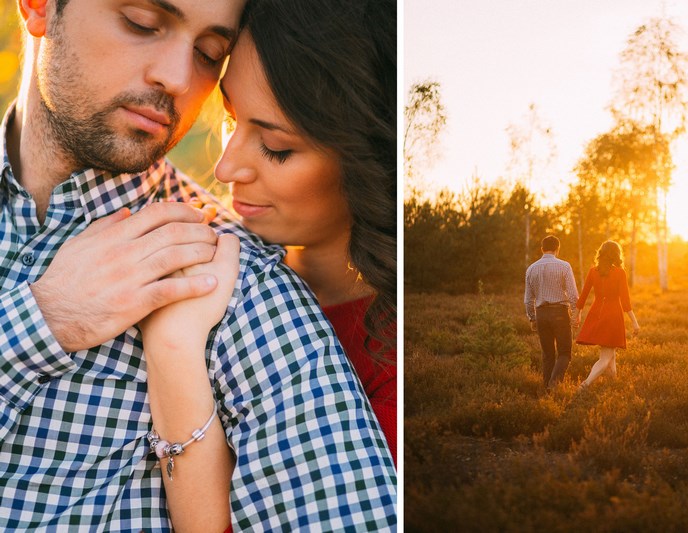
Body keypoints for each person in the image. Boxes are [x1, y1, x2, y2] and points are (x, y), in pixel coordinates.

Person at [0, 1, 396, 531]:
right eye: (141, 21)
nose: (177, 79)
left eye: (210, 54)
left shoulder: (240, 287)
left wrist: (173, 351)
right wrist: (42, 320)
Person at [139, 0, 398, 527]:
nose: (226, 165)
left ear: (368, 161)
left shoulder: (394, 376)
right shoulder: (207, 247)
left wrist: (173, 351)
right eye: (231, 118)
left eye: (276, 148)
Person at [575, 240, 641, 390]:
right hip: (613, 316)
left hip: (596, 314)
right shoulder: (619, 272)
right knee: (605, 357)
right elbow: (626, 302)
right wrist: (635, 322)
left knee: (611, 355)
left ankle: (614, 386)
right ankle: (585, 385)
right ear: (616, 255)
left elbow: (583, 295)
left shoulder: (593, 271)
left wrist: (577, 314)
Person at [524, 235, 581, 389]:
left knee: (547, 355)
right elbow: (573, 295)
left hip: (541, 314)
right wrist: (576, 314)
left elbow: (528, 300)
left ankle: (546, 391)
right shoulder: (564, 266)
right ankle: (554, 385)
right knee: (564, 353)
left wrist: (532, 318)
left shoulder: (531, 268)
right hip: (560, 313)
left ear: (542, 249)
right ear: (557, 249)